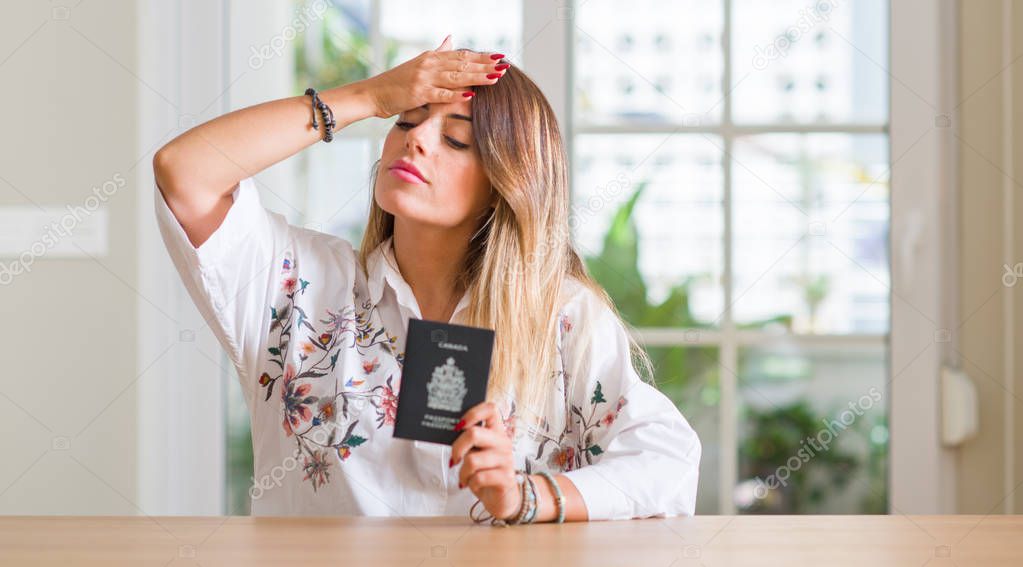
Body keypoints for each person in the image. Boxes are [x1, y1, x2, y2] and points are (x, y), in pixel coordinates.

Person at [152, 34, 700, 524]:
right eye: (406, 121)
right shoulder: (303, 283)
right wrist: (368, 97)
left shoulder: (562, 315)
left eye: (456, 141)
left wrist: (526, 497)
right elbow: (186, 170)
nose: (415, 141)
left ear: (506, 182)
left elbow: (667, 462)